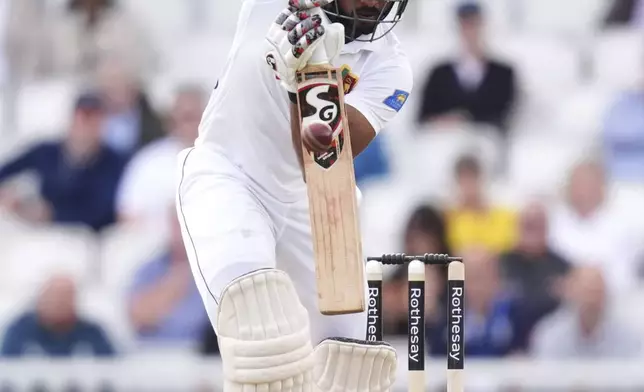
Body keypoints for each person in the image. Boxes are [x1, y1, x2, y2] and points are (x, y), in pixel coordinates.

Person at [175, 0, 412, 390]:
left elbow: (322, 163)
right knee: (262, 330)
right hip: (230, 178)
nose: (372, 2)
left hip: (317, 200)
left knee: (350, 368)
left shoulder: (391, 69)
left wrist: (301, 84)